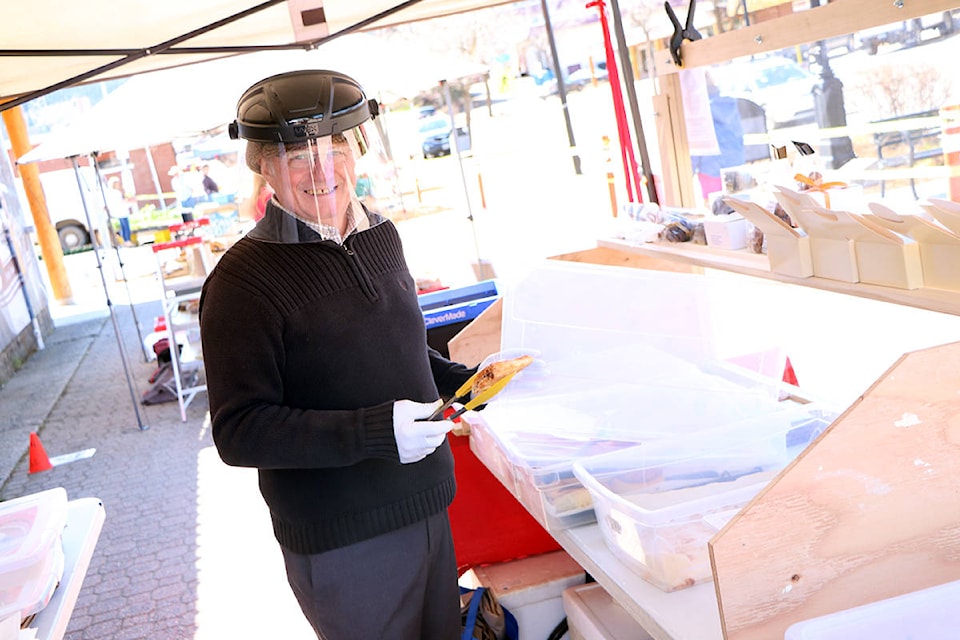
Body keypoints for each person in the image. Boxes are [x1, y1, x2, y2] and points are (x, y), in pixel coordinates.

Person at [198, 69, 478, 640]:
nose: (323, 171)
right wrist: (377, 432)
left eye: (336, 148)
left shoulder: (382, 234)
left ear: (358, 151)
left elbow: (399, 347)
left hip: (427, 505)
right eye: (299, 155)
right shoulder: (239, 284)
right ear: (265, 168)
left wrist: (466, 380)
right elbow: (239, 430)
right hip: (344, 543)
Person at [105, 176, 132, 245]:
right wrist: (127, 201)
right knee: (125, 227)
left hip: (120, 212)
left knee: (123, 226)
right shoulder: (115, 193)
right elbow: (119, 203)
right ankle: (127, 240)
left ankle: (125, 240)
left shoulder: (112, 193)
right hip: (121, 212)